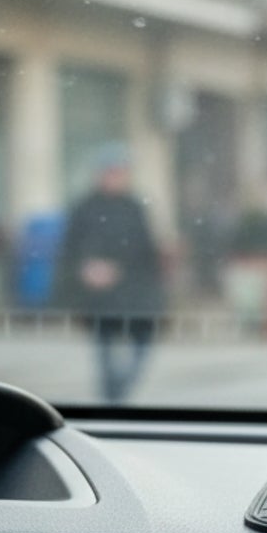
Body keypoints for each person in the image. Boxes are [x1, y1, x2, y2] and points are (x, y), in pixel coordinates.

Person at [57, 144, 167, 403]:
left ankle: (119, 393)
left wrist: (122, 269)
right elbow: (70, 249)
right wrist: (86, 269)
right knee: (104, 348)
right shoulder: (84, 207)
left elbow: (147, 249)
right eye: (110, 172)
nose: (115, 178)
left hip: (135, 293)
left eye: (120, 172)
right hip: (100, 297)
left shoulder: (134, 207)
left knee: (143, 341)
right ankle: (112, 400)